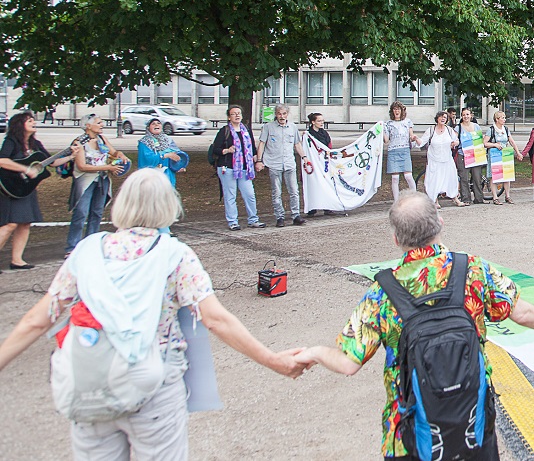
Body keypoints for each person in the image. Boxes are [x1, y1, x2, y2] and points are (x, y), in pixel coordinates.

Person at [0, 169, 306, 460]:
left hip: (90, 382)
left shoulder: (88, 250)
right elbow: (216, 319)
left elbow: (38, 319)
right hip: (154, 386)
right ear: (168, 206)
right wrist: (273, 360)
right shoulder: (175, 254)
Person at [293, 191, 534, 461]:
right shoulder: (473, 270)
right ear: (440, 223)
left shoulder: (382, 292)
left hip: (411, 433)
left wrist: (314, 353)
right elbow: (522, 312)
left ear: (396, 239)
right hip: (473, 425)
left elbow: (347, 362)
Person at [0, 113, 75, 270]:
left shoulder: (36, 144)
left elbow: (52, 162)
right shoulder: (11, 141)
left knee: (25, 223)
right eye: (30, 120)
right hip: (10, 187)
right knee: (10, 224)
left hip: (26, 188)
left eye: (34, 120)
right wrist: (25, 169)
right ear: (20, 124)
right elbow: (2, 160)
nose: (34, 122)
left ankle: (17, 260)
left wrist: (70, 155)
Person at [67, 114, 129, 254]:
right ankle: (72, 247)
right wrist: (107, 168)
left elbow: (113, 152)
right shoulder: (79, 142)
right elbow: (82, 166)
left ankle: (91, 244)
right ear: (88, 125)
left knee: (97, 212)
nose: (102, 125)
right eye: (99, 123)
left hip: (102, 180)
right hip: (85, 181)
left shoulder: (101, 139)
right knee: (81, 213)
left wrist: (121, 155)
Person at [212, 105, 265, 231]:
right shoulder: (224, 131)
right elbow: (216, 149)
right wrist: (227, 150)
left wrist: (257, 161)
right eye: (233, 113)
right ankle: (233, 221)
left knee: (249, 194)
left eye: (239, 113)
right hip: (228, 167)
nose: (237, 115)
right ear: (229, 117)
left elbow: (252, 148)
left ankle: (253, 219)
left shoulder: (245, 130)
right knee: (230, 195)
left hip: (245, 168)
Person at [256, 104, 306, 228]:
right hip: (274, 163)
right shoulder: (268, 127)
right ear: (276, 114)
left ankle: (296, 215)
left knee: (294, 191)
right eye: (279, 113)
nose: (282, 116)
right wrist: (259, 160)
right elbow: (262, 144)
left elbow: (297, 144)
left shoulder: (293, 127)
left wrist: (305, 158)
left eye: (284, 113)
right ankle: (280, 217)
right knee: (276, 192)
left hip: (289, 163)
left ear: (287, 114)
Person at [303, 113, 345, 217]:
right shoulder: (308, 134)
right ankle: (312, 207)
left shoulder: (324, 134)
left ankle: (328, 206)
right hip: (314, 162)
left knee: (327, 183)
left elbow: (328, 146)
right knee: (313, 183)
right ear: (313, 122)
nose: (321, 123)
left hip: (324, 163)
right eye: (319, 121)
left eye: (322, 121)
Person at [417, 111, 463, 209]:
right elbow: (421, 142)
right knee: (434, 180)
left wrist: (455, 143)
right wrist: (415, 138)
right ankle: (435, 200)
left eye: (445, 117)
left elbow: (457, 141)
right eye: (441, 117)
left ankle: (455, 198)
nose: (443, 119)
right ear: (437, 118)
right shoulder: (431, 130)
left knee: (451, 179)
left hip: (447, 159)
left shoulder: (449, 130)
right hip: (434, 160)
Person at [383, 101, 419, 200]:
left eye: (398, 109)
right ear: (392, 111)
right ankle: (396, 201)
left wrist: (414, 138)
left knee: (408, 176)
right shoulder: (388, 124)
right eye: (395, 109)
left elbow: (411, 136)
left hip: (404, 150)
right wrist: (381, 131)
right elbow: (386, 141)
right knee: (395, 178)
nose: (397, 111)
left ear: (402, 111)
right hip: (393, 151)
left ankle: (414, 197)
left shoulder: (407, 122)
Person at [485, 110, 523, 205]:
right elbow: (485, 143)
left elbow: (511, 141)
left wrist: (518, 152)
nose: (504, 119)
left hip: (505, 154)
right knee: (494, 176)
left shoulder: (505, 129)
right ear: (497, 119)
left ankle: (507, 196)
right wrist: (494, 145)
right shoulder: (491, 129)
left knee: (507, 175)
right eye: (502, 118)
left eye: (504, 118)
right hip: (494, 155)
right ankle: (495, 197)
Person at [136, 119, 187, 187]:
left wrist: (179, 166)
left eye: (158, 123)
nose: (156, 125)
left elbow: (177, 155)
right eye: (153, 124)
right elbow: (147, 160)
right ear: (148, 128)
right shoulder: (144, 142)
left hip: (168, 177)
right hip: (151, 179)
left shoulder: (168, 140)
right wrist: (165, 155)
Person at [455, 108, 485, 205]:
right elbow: (455, 139)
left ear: (471, 115)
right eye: (464, 115)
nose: (466, 117)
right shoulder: (458, 128)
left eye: (467, 114)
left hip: (476, 155)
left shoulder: (476, 126)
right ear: (462, 116)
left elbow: (480, 139)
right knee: (464, 178)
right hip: (463, 155)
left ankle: (479, 198)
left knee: (477, 177)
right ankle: (466, 199)